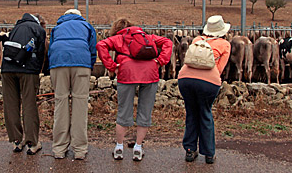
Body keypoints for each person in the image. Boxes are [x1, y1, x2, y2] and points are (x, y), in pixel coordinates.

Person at [96, 18, 172, 161]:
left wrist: (112, 66)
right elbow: (168, 42)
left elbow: (101, 45)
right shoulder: (147, 37)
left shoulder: (119, 38)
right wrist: (160, 61)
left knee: (124, 111)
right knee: (145, 111)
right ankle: (138, 147)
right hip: (150, 74)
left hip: (127, 74)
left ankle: (119, 147)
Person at [177, 15, 231, 164]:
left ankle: (190, 150)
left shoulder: (197, 40)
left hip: (185, 79)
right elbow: (219, 69)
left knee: (191, 113)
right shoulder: (225, 44)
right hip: (208, 82)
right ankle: (208, 153)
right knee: (205, 113)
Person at [48, 9, 97, 160]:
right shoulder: (87, 26)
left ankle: (59, 149)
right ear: (79, 16)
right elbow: (93, 49)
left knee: (61, 102)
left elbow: (50, 49)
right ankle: (80, 149)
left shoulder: (57, 28)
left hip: (58, 63)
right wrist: (89, 65)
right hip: (81, 63)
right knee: (80, 104)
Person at [1, 13, 46, 155]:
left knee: (11, 105)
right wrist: (37, 70)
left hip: (7, 69)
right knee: (29, 104)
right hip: (28, 71)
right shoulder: (39, 30)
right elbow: (41, 53)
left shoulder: (16, 28)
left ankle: (16, 141)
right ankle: (32, 143)